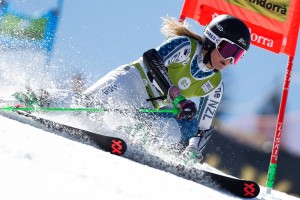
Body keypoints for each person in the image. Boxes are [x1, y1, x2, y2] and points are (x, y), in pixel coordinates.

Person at [14, 14, 251, 164]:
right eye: (228, 51)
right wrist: (176, 97)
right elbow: (152, 58)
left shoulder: (215, 86)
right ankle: (37, 98)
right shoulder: (186, 47)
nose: (229, 60)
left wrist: (192, 149)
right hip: (130, 81)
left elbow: (203, 127)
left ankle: (138, 140)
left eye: (237, 56)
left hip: (148, 107)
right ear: (211, 39)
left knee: (171, 130)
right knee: (88, 108)